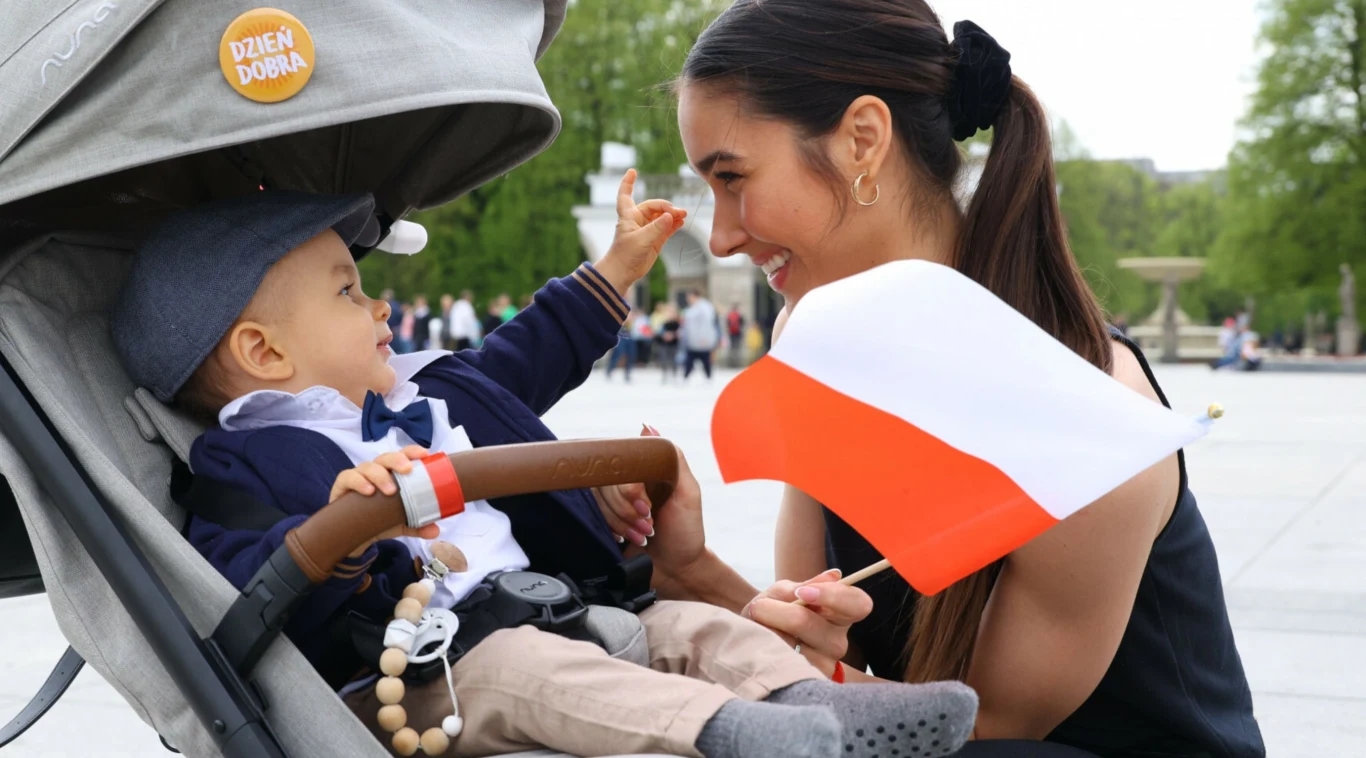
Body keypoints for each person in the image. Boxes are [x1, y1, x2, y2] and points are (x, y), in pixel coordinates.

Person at [111, 188, 974, 758]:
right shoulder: (245, 461)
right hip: (415, 679)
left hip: (551, 608)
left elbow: (533, 349)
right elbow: (237, 582)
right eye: (347, 292)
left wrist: (619, 269)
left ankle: (821, 707)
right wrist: (334, 539)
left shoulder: (426, 388)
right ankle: (730, 732)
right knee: (537, 673)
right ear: (263, 352)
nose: (380, 304)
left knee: (692, 627)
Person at [625, 2, 1265, 756]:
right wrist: (688, 568)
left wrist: (799, 674)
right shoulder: (819, 347)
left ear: (864, 140)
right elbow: (818, 654)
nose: (722, 236)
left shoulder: (1093, 419)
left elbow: (982, 732)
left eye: (732, 177)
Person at [681, 289, 719, 380]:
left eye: (689, 297)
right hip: (692, 340)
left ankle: (708, 377)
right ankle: (686, 376)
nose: (687, 299)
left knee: (705, 358)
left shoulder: (705, 307)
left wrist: (704, 337)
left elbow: (706, 323)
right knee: (690, 358)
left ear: (695, 296)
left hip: (702, 340)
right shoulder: (692, 307)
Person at [654, 302, 682, 383]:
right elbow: (659, 332)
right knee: (664, 359)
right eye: (669, 311)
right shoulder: (664, 323)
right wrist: (664, 335)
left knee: (674, 360)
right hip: (664, 344)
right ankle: (665, 375)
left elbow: (681, 333)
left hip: (674, 344)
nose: (670, 314)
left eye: (672, 312)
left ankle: (674, 375)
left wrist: (673, 335)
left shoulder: (678, 323)